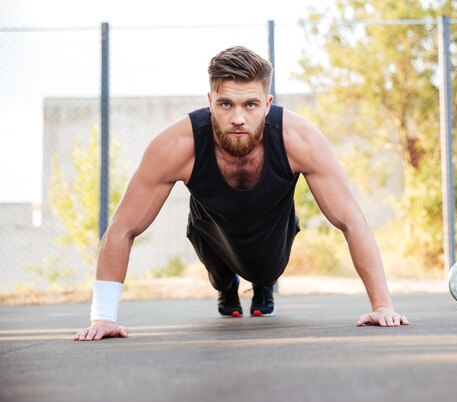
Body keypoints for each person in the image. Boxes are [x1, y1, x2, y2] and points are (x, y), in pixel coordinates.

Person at [74, 46, 409, 342]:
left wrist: (382, 306)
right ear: (210, 102)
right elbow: (123, 227)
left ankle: (261, 285)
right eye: (225, 104)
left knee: (266, 272)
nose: (237, 118)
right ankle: (228, 287)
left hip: (272, 230)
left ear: (267, 104)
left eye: (250, 104)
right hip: (211, 226)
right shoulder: (176, 146)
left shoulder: (299, 139)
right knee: (221, 277)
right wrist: (102, 317)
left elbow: (351, 219)